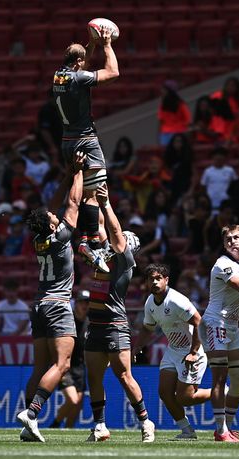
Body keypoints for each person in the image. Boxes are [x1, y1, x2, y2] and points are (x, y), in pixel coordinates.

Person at [16, 152, 85, 443]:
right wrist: (79, 172)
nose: (54, 213)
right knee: (62, 365)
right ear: (52, 224)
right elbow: (72, 203)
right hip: (57, 306)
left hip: (39, 305)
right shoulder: (60, 238)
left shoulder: (38, 239)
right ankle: (32, 413)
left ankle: (27, 424)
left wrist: (66, 175)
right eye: (52, 216)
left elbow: (54, 206)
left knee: (39, 368)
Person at [83, 183, 155, 443]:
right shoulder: (106, 254)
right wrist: (91, 191)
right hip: (96, 325)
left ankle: (146, 422)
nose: (115, 240)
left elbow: (113, 230)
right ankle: (100, 425)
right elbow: (101, 226)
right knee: (94, 376)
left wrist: (106, 203)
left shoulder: (125, 261)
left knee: (124, 376)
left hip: (115, 324)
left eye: (121, 239)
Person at [52, 24, 120, 273]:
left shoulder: (59, 75)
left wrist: (90, 45)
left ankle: (90, 242)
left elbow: (83, 61)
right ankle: (88, 242)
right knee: (95, 193)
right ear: (79, 62)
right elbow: (113, 73)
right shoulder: (79, 77)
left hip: (67, 141)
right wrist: (107, 45)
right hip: (85, 140)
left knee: (88, 193)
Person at [199, 224, 239, 442]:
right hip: (215, 323)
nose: (232, 241)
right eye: (227, 239)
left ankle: (228, 426)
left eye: (236, 237)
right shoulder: (222, 264)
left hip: (232, 326)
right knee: (220, 377)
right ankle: (220, 430)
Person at [133, 264, 210, 440]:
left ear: (166, 280)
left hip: (192, 351)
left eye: (158, 278)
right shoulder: (150, 303)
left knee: (185, 398)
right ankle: (187, 431)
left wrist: (193, 352)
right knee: (165, 392)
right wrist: (137, 347)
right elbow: (147, 328)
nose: (154, 282)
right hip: (173, 350)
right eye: (151, 279)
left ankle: (221, 392)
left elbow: (199, 322)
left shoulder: (176, 300)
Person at [50, 289, 89, 428]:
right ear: (76, 304)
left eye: (87, 303)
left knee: (78, 404)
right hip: (64, 365)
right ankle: (54, 426)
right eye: (82, 302)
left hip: (80, 367)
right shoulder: (68, 320)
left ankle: (68, 431)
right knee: (72, 400)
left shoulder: (90, 323)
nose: (85, 305)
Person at [158, 80, 191, 146]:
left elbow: (188, 120)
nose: (161, 91)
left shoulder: (180, 105)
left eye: (164, 90)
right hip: (169, 133)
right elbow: (161, 121)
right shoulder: (163, 105)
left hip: (175, 134)